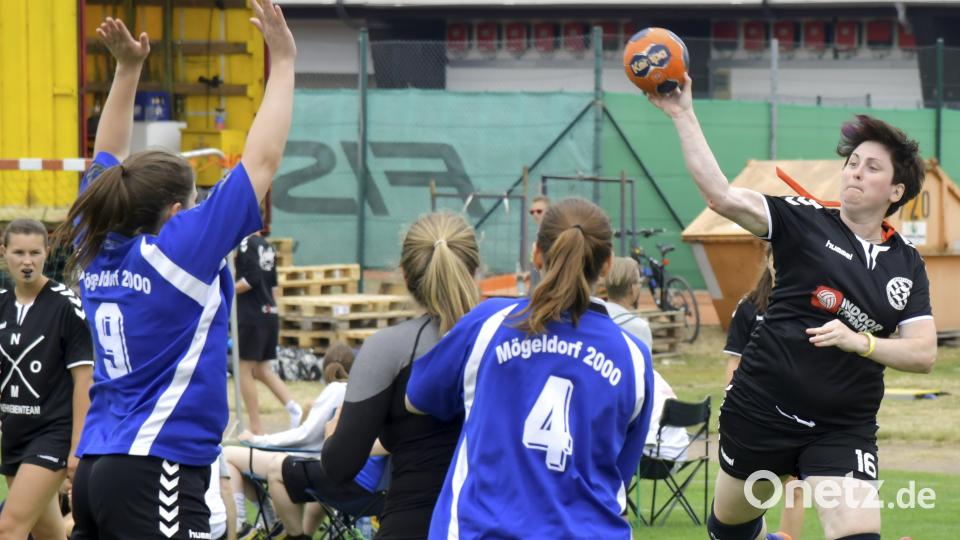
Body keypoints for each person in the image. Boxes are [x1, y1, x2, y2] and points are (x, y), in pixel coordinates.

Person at [650, 79, 936, 540]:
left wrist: (859, 342)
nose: (855, 172)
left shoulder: (907, 263)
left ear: (896, 190)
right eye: (852, 163)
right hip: (761, 411)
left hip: (842, 428)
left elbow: (922, 354)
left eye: (872, 167)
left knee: (859, 533)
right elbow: (721, 196)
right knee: (731, 529)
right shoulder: (802, 220)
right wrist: (682, 112)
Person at [56, 4, 296, 538]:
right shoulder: (178, 251)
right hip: (155, 466)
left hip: (97, 463)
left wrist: (126, 71)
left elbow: (105, 157)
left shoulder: (94, 243)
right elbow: (261, 163)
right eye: (190, 202)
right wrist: (282, 62)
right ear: (174, 213)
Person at [406, 198, 655, 538]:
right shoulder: (633, 357)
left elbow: (418, 398)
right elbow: (618, 473)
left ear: (536, 254)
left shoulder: (489, 324)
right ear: (608, 264)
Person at [321, 212, 480, 539]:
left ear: (405, 276)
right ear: (475, 271)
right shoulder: (507, 344)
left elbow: (340, 466)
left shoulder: (388, 349)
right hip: (492, 525)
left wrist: (332, 433)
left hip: (412, 523)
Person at [0, 219, 94, 540]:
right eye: (19, 253)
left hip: (53, 433)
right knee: (49, 534)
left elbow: (85, 380)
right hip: (14, 433)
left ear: (47, 253)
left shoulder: (67, 305)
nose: (27, 261)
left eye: (35, 253)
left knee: (8, 528)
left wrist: (77, 448)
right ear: (4, 253)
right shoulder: (1, 303)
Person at [222, 343, 365, 539]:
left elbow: (304, 436)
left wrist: (258, 439)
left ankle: (242, 524)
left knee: (227, 454)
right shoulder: (360, 392)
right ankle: (273, 519)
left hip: (307, 464)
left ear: (326, 368)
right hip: (334, 472)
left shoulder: (336, 389)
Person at [722, 248, 804, 539]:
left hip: (799, 414)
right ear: (768, 260)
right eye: (776, 257)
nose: (781, 263)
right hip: (754, 416)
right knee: (753, 494)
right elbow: (735, 360)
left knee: (795, 488)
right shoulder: (749, 306)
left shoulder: (810, 304)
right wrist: (729, 406)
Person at [235, 230, 301, 433]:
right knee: (262, 369)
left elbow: (251, 278)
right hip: (270, 312)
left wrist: (227, 289)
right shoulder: (268, 246)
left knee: (243, 369)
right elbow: (273, 286)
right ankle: (294, 408)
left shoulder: (246, 243)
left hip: (252, 315)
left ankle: (256, 427)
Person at [604, 256, 653, 348]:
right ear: (632, 288)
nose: (640, 285)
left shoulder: (592, 318)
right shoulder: (640, 328)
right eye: (639, 282)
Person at [526, 195, 550, 293]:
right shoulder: (539, 234)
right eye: (532, 212)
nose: (535, 214)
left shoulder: (551, 235)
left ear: (549, 212)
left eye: (539, 211)